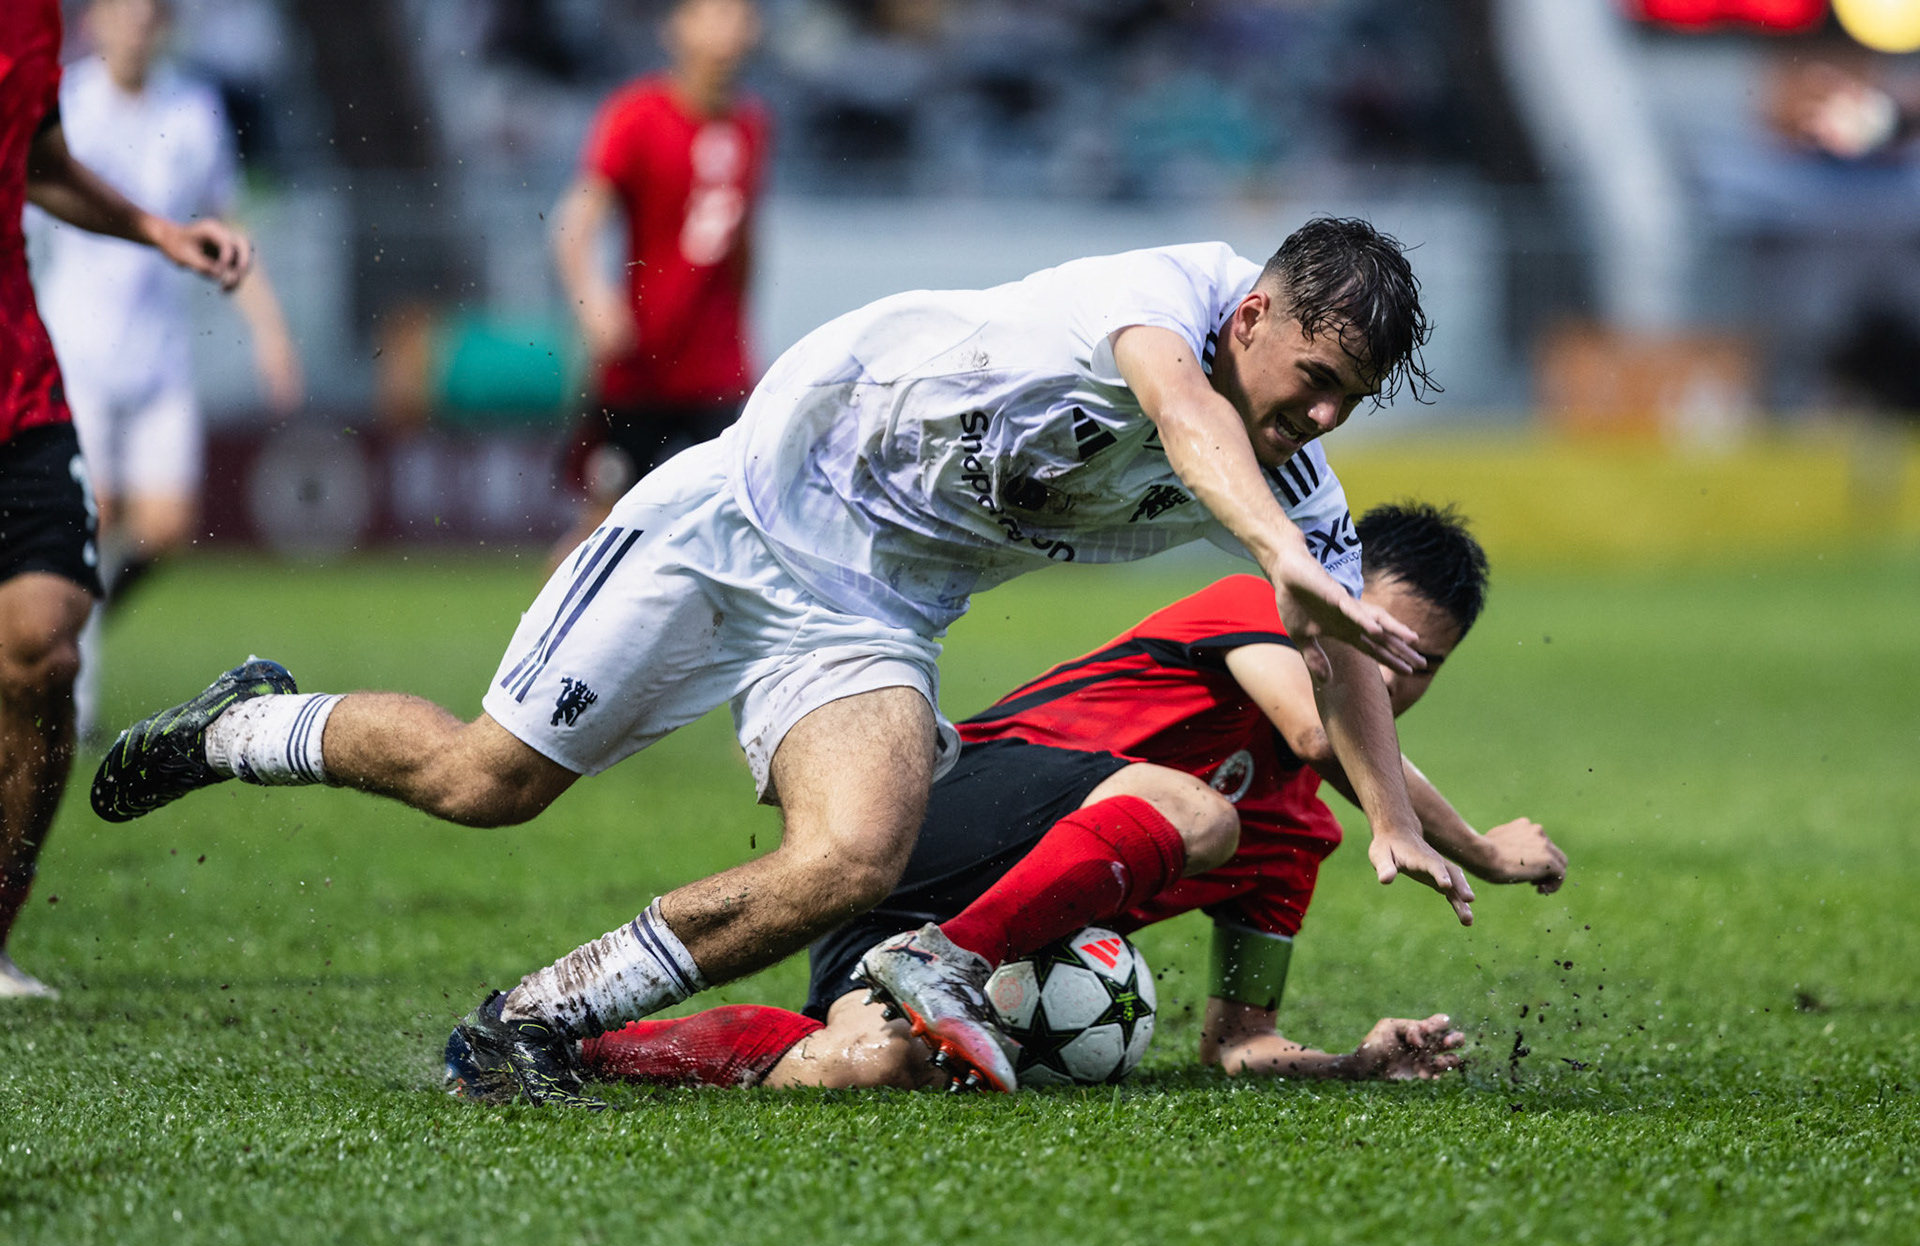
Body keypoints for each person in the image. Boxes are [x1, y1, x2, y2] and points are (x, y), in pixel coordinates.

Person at [93, 217, 1472, 1102]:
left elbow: (1339, 644)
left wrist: (1400, 818)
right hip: (742, 507)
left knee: (858, 855)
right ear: (1253, 321)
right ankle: (242, 727)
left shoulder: (1299, 484)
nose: (1327, 415)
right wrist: (1278, 556)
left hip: (872, 603)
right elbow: (1181, 414)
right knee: (483, 780)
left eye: (1354, 397)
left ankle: (525, 1024)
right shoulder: (1164, 301)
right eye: (1316, 378)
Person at [443, 503, 1566, 1098]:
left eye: (1422, 662)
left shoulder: (1301, 835)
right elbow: (1318, 729)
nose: (1392, 675)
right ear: (1323, 593)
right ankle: (951, 960)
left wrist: (1350, 1063)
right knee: (1194, 813)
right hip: (933, 813)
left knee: (868, 1063)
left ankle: (563, 1047)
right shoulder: (1246, 606)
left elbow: (1241, 1042)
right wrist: (1468, 839)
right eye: (1377, 635)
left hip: (916, 932)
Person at [0, 0, 250, 997]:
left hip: (22, 388)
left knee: (48, 643)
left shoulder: (34, 20)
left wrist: (155, 229)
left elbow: (41, 163)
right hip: (79, 368)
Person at [34, 0, 302, 738]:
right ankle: (69, 684)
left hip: (158, 351)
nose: (141, 24)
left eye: (153, 12)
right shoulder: (71, 101)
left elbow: (224, 222)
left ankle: (76, 636)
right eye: (128, 10)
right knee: (99, 516)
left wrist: (270, 330)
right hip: (78, 346)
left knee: (168, 528)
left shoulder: (192, 109)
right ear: (100, 20)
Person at [550, 0, 767, 559]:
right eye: (715, 13)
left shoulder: (751, 125)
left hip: (718, 372)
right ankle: (549, 643)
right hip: (640, 367)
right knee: (604, 533)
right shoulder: (637, 116)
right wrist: (594, 301)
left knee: (747, 531)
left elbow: (744, 242)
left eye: (741, 15)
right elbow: (575, 226)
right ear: (678, 28)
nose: (730, 29)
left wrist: (746, 333)